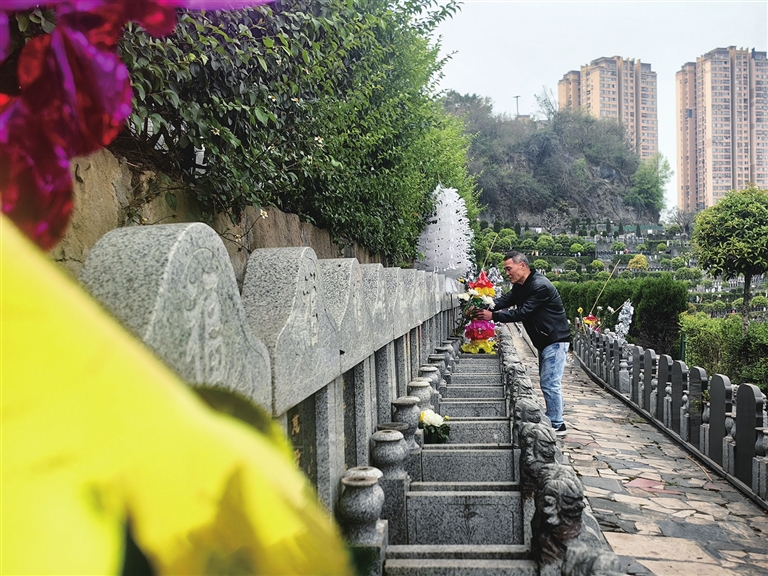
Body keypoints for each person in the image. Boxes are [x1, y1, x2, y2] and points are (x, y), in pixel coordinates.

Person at [473, 251, 571, 436]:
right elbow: (505, 300)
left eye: (509, 269)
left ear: (522, 266)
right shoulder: (521, 285)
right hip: (544, 339)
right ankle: (554, 419)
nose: (507, 273)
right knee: (547, 381)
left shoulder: (540, 286)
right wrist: (481, 305)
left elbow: (522, 312)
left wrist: (493, 316)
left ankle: (557, 423)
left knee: (550, 382)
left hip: (555, 340)